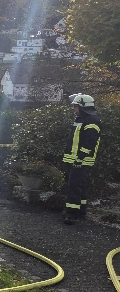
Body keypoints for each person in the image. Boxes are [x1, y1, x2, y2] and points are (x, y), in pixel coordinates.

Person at [62, 93, 101, 224]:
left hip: (81, 160)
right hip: (73, 159)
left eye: (76, 106)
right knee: (79, 186)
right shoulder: (81, 119)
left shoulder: (92, 120)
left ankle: (71, 214)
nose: (74, 109)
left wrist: (80, 158)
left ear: (83, 106)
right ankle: (80, 211)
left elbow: (90, 142)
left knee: (74, 186)